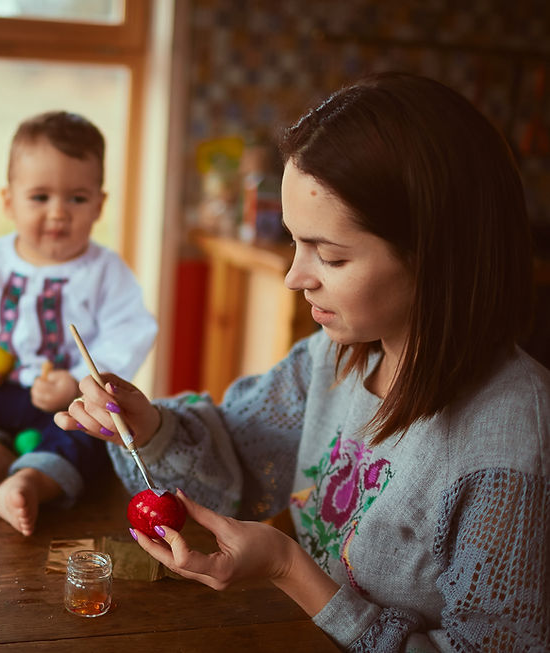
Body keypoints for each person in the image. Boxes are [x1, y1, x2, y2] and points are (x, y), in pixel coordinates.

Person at [56, 72, 550, 650]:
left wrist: (291, 570)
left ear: (436, 257)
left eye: (331, 256)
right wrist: (153, 428)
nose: (295, 276)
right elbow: (238, 450)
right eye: (295, 241)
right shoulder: (337, 356)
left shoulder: (513, 445)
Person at [0, 110, 157, 537]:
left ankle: (32, 480)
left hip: (60, 408)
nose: (58, 213)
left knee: (98, 435)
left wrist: (77, 382)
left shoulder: (106, 272)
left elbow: (129, 333)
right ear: (9, 200)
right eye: (40, 198)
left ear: (100, 203)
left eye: (76, 198)